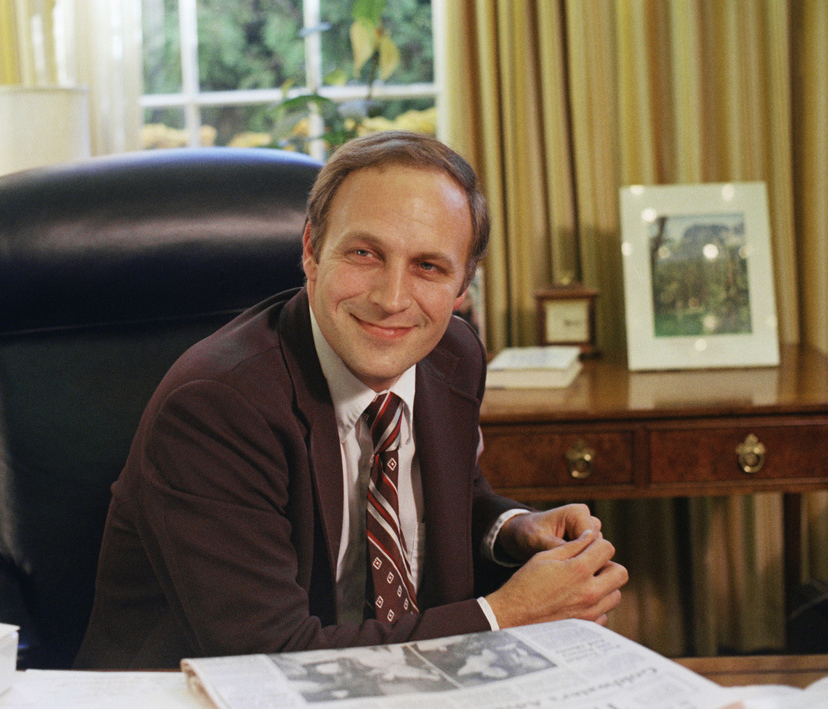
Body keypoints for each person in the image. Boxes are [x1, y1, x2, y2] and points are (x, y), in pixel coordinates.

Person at [75, 131, 627, 669]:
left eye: (428, 267)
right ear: (312, 251)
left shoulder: (451, 356)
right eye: (365, 253)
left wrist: (510, 530)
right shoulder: (215, 408)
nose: (392, 299)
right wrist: (507, 614)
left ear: (463, 287)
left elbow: (450, 495)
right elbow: (268, 659)